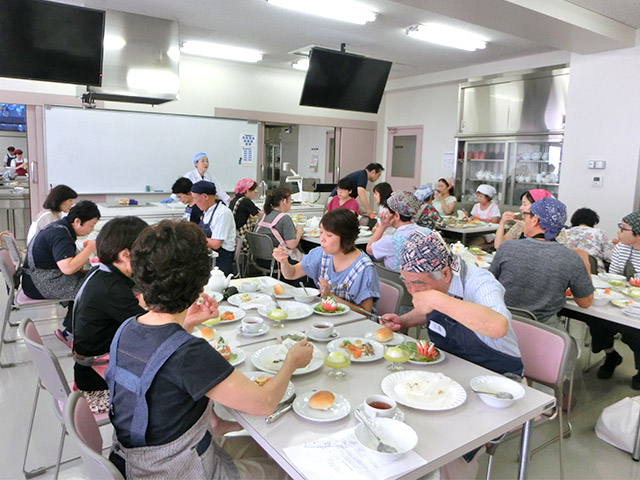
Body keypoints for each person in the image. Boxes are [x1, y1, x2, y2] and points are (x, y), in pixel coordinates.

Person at [106, 220, 312, 479]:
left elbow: (162, 369)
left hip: (134, 460)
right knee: (287, 465)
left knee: (261, 443)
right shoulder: (190, 353)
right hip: (177, 470)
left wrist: (189, 322)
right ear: (200, 285)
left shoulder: (127, 328)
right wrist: (291, 361)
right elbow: (265, 403)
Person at [379, 229, 522, 480]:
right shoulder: (433, 284)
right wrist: (403, 320)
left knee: (450, 448)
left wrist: (435, 298)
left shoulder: (481, 283)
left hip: (496, 379)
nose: (412, 291)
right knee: (401, 421)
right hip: (450, 373)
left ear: (445, 273)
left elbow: (498, 326)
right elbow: (430, 312)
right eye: (406, 282)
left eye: (419, 283)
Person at [72, 216, 149, 397]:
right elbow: (149, 332)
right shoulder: (112, 289)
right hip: (98, 378)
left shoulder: (99, 271)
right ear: (125, 255)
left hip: (87, 366)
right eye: (146, 253)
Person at [489, 197, 594, 328]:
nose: (524, 220)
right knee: (572, 345)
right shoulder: (570, 258)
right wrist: (586, 262)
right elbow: (586, 302)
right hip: (543, 331)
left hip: (501, 324)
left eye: (526, 216)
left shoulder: (507, 248)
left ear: (535, 220)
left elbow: (488, 284)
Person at [22, 200, 101, 344]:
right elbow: (68, 268)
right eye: (92, 225)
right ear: (77, 221)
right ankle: (72, 333)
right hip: (39, 283)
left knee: (88, 279)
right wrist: (90, 248)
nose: (92, 229)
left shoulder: (59, 227)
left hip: (34, 278)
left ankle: (70, 324)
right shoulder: (60, 234)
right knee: (91, 289)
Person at [273, 209, 380, 312]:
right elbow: (291, 274)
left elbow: (365, 313)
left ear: (346, 238)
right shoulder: (321, 254)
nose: (322, 239)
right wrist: (284, 261)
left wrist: (331, 296)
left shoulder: (364, 268)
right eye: (321, 232)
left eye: (329, 235)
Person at [588, 211, 640, 389]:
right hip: (620, 299)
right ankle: (611, 355)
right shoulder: (621, 247)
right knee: (596, 319)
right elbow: (614, 276)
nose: (618, 232)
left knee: (636, 333)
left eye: (623, 229)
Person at [366, 191, 423, 271]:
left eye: (387, 211)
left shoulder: (390, 240)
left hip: (396, 281)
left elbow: (369, 249)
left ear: (396, 216)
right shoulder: (426, 232)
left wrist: (382, 226)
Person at [191, 181, 236, 276]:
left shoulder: (222, 213)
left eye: (195, 198)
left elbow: (215, 244)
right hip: (208, 255)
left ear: (205, 196)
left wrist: (194, 237)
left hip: (221, 259)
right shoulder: (206, 211)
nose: (194, 202)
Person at [557, 207, 613, 273]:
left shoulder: (565, 233)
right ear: (593, 221)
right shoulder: (600, 233)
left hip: (568, 272)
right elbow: (609, 257)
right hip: (594, 272)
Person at [255, 187, 303, 258]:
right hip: (278, 260)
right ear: (284, 201)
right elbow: (291, 245)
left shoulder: (263, 216)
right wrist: (299, 232)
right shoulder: (285, 218)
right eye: (290, 200)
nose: (290, 203)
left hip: (259, 258)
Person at [229, 178, 261, 255]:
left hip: (234, 237)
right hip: (241, 239)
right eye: (253, 191)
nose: (254, 193)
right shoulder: (245, 201)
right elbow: (260, 214)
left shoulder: (234, 200)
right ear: (247, 191)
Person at [609, 211, 640, 278]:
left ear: (638, 234)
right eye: (620, 227)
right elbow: (612, 277)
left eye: (624, 228)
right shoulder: (620, 248)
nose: (619, 232)